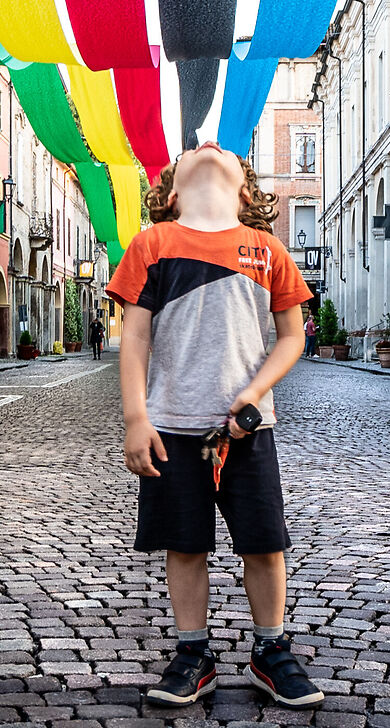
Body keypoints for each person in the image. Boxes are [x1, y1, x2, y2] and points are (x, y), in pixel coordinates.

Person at [109, 143, 322, 710]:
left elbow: (293, 335)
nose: (206, 146)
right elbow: (134, 337)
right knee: (184, 545)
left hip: (248, 431)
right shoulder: (151, 244)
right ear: (171, 193)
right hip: (173, 428)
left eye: (222, 150)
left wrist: (254, 393)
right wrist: (136, 417)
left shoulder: (268, 249)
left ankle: (271, 651)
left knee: (265, 543)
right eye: (195, 151)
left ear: (246, 193)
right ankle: (192, 651)